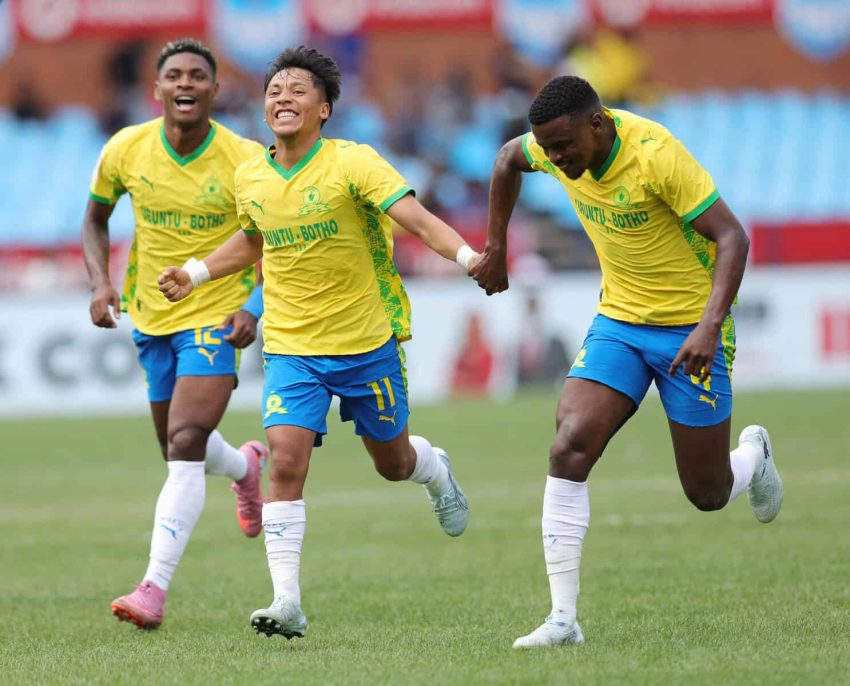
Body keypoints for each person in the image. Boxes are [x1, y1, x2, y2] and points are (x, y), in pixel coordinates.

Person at [158, 46, 476, 640]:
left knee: (393, 464)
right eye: (274, 90)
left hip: (366, 343)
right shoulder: (251, 176)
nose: (282, 97)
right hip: (291, 346)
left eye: (298, 90)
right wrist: (196, 272)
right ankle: (287, 601)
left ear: (324, 108)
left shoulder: (354, 163)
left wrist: (467, 257)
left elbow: (415, 218)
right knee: (285, 459)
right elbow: (254, 241)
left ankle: (434, 471)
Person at [471, 75, 783, 649]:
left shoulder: (656, 156)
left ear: (598, 124)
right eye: (549, 148)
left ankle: (754, 457)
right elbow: (506, 160)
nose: (556, 159)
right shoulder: (552, 144)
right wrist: (496, 247)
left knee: (707, 492)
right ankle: (563, 619)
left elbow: (733, 238)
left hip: (691, 331)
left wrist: (709, 326)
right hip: (620, 323)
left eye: (564, 147)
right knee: (569, 444)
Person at [82, 38, 268, 630]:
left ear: (215, 89)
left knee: (185, 441)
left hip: (216, 312)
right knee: (176, 443)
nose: (185, 83)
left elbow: (278, 238)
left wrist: (255, 306)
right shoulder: (126, 148)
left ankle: (152, 589)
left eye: (197, 75)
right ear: (157, 88)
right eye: (175, 75)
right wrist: (100, 282)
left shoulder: (245, 159)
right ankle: (244, 467)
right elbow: (95, 218)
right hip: (151, 314)